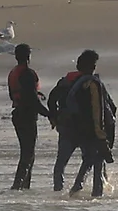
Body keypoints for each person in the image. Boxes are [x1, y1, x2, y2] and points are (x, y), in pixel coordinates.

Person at [67, 50, 115, 197]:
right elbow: (97, 110)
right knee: (98, 161)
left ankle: (76, 188)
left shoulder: (76, 83)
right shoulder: (93, 84)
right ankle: (97, 193)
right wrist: (101, 134)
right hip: (93, 129)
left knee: (88, 159)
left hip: (79, 128)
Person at [7, 44, 50, 190]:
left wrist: (36, 95)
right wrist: (49, 114)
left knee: (27, 154)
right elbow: (31, 99)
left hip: (18, 114)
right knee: (28, 155)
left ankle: (24, 187)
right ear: (28, 57)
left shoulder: (13, 73)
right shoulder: (28, 73)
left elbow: (18, 94)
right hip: (26, 116)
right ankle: (18, 187)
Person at [47, 66, 83, 191]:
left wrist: (54, 117)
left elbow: (51, 100)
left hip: (66, 126)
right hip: (85, 127)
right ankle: (84, 185)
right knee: (92, 160)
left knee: (61, 162)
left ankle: (58, 189)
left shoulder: (64, 83)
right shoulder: (90, 82)